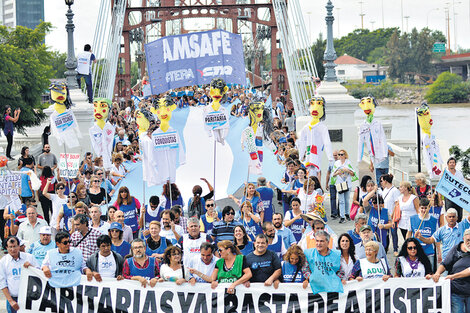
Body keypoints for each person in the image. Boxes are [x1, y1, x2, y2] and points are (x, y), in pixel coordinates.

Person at [429, 229, 470, 312]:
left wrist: (453, 276)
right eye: (468, 240)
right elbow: (445, 264)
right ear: (463, 239)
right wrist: (437, 273)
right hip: (456, 291)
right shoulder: (456, 248)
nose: (469, 242)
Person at [0, 236, 37, 313]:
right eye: (10, 247)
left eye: (15, 246)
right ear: (6, 247)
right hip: (13, 298)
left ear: (19, 246)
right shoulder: (3, 262)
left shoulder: (29, 257)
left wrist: (31, 267)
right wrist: (10, 301)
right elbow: (2, 283)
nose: (13, 249)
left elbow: (39, 274)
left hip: (30, 298)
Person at [407, 198, 438, 268]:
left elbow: (436, 238)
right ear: (419, 208)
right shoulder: (412, 219)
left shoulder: (434, 220)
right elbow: (408, 234)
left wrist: (439, 252)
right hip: (415, 251)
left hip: (429, 251)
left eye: (426, 208)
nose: (424, 210)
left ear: (429, 208)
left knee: (429, 272)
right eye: (422, 208)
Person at [331, 149, 357, 223]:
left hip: (347, 183)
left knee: (346, 200)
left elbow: (353, 173)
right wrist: (337, 172)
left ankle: (347, 214)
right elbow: (333, 174)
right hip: (339, 184)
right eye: (339, 154)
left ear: (345, 155)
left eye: (342, 154)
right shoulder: (336, 163)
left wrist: (347, 170)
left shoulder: (348, 162)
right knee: (341, 200)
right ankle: (342, 216)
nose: (340, 156)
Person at [380, 173, 401, 256]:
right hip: (385, 213)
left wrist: (393, 214)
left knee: (393, 232)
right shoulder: (384, 190)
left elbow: (397, 203)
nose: (381, 182)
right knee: (386, 232)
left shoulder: (395, 190)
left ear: (385, 181)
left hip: (392, 214)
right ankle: (386, 247)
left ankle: (395, 248)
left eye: (382, 181)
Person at [444, 157, 465, 222]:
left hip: (458, 197)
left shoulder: (459, 173)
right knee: (450, 214)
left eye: (453, 162)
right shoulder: (445, 173)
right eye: (450, 163)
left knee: (459, 215)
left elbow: (463, 185)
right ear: (448, 164)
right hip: (449, 197)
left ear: (455, 164)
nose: (452, 164)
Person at [325, 150, 339, 218]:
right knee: (332, 198)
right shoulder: (331, 162)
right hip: (332, 182)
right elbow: (328, 173)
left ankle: (339, 212)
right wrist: (326, 183)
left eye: (336, 155)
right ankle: (333, 212)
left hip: (339, 182)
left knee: (340, 198)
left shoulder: (341, 162)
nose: (335, 157)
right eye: (334, 155)